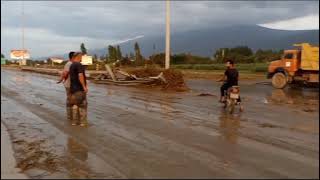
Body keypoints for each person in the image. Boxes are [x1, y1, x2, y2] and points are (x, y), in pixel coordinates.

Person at [69, 52, 88, 127]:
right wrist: (84, 86)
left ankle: (74, 122)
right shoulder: (79, 65)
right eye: (81, 57)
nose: (82, 58)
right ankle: (82, 123)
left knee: (75, 105)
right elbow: (80, 75)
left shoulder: (72, 65)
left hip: (73, 89)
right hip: (79, 89)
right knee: (82, 105)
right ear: (78, 56)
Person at [57, 51, 75, 122]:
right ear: (73, 57)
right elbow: (65, 73)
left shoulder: (72, 63)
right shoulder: (69, 64)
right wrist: (61, 80)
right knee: (70, 99)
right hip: (69, 84)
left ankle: (71, 115)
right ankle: (70, 116)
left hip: (71, 84)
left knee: (72, 99)